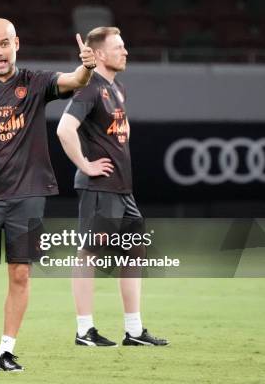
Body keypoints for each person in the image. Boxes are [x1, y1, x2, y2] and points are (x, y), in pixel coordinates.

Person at [0, 18, 96, 372]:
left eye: (4, 44)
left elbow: (72, 81)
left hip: (28, 195)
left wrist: (86, 67)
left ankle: (5, 351)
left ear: (16, 44)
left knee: (20, 274)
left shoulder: (36, 82)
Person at [56, 26, 169, 347]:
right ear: (101, 54)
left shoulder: (116, 87)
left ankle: (134, 331)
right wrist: (86, 164)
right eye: (119, 47)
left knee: (134, 252)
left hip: (122, 188)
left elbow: (122, 129)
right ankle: (84, 330)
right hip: (99, 188)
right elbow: (65, 130)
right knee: (88, 254)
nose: (126, 51)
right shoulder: (89, 87)